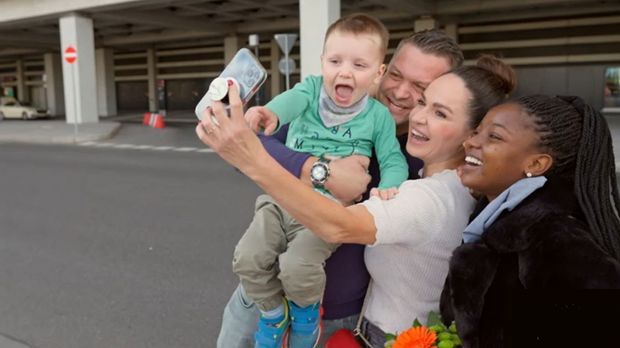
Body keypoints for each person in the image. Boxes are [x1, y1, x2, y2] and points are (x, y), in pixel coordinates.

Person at [197, 55, 516, 347]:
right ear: (382, 70)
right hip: (273, 291)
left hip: (355, 322)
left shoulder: (424, 185)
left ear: (471, 133)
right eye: (423, 100)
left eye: (434, 105)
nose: (406, 98)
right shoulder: (335, 111)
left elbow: (338, 226)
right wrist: (317, 170)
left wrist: (258, 160)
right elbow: (253, 146)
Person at [233, 13, 409, 348]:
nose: (344, 71)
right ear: (322, 63)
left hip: (325, 210)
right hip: (280, 200)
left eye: (359, 64)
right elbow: (288, 103)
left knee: (298, 265)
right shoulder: (311, 90)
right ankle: (273, 314)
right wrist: (269, 112)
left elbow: (391, 159)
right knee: (248, 257)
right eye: (335, 61)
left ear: (378, 73)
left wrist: (391, 184)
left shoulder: (377, 116)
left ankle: (306, 316)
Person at [439, 95, 620, 348]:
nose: (470, 142)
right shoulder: (492, 219)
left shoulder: (554, 237)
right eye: (477, 131)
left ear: (536, 164)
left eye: (495, 137)